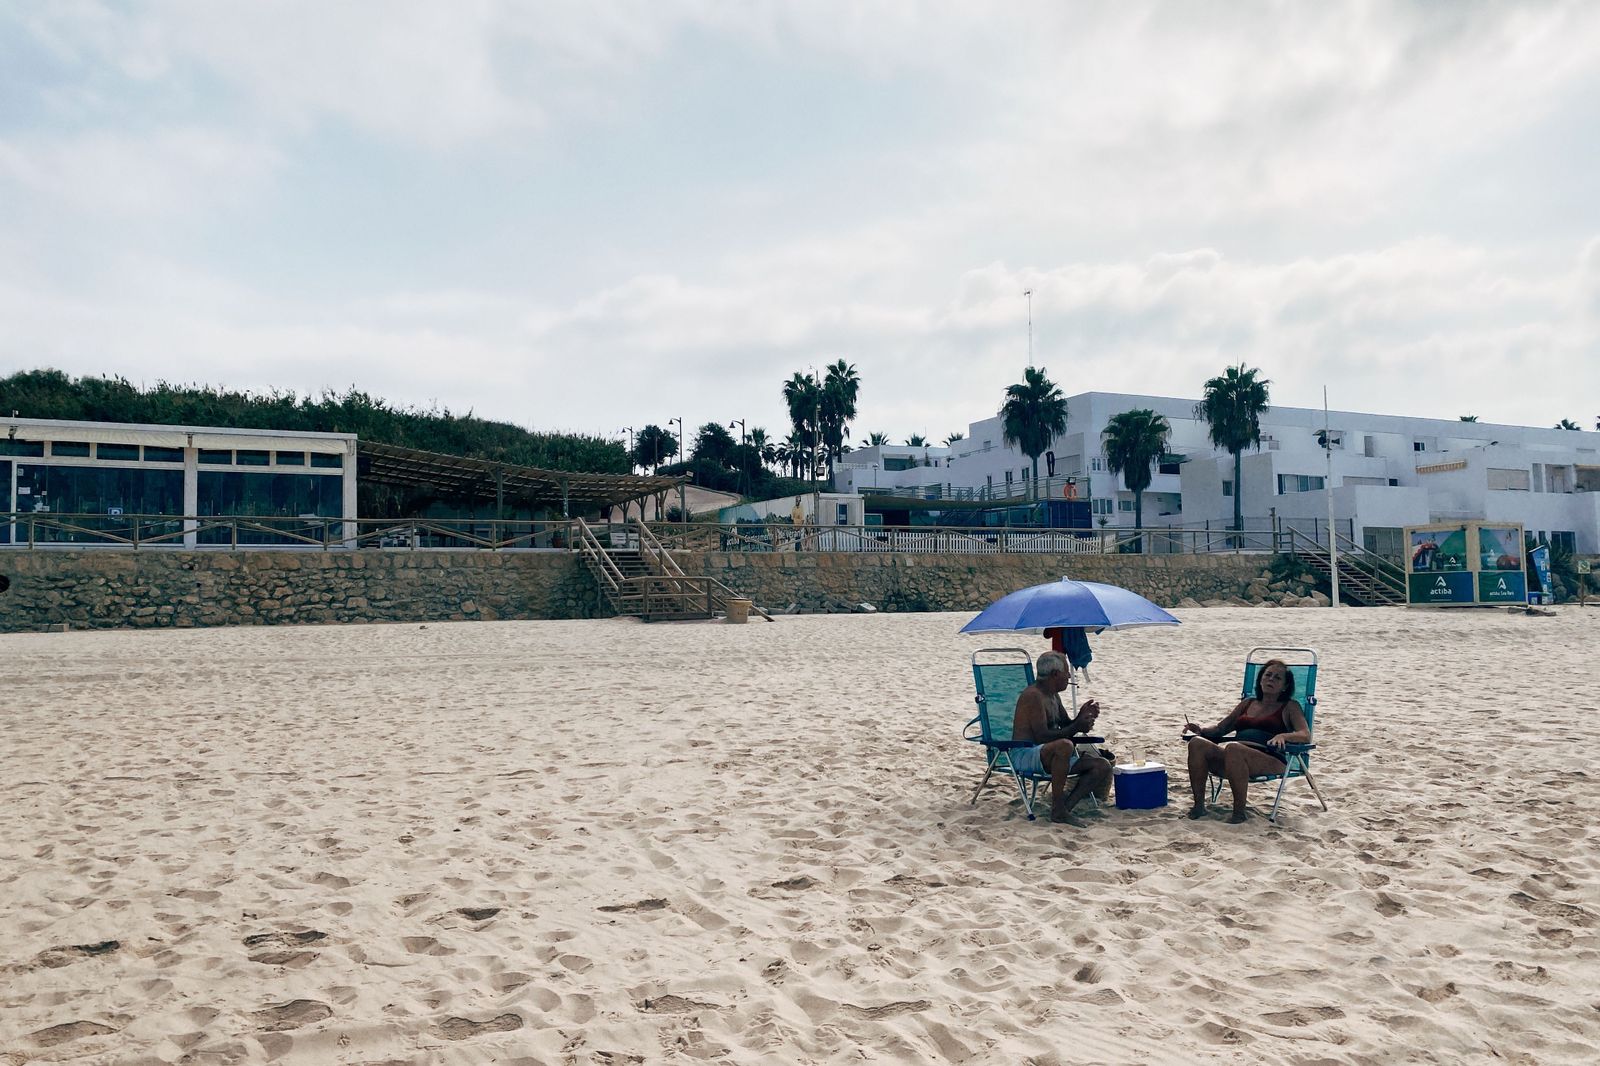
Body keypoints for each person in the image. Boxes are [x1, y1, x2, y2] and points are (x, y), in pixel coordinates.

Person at [1181, 659, 1310, 823]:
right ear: (1260, 679)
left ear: (1285, 686)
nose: (1270, 679)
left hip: (1269, 758)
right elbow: (1221, 729)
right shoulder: (1247, 703)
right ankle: (1199, 806)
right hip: (1234, 757)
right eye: (1267, 675)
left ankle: (1239, 813)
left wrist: (1284, 736)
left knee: (1234, 748)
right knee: (1197, 743)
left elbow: (1305, 734)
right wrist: (1200, 730)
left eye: (1277, 678)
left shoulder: (1290, 706)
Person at [1011, 651, 1113, 826]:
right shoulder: (1033, 695)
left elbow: (1067, 726)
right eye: (1067, 673)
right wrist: (1076, 726)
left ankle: (1064, 809)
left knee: (1102, 765)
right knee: (1064, 746)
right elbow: (1041, 736)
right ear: (1055, 674)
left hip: (1050, 754)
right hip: (1026, 753)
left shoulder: (1052, 695)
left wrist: (1082, 718)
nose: (1069, 676)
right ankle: (1058, 808)